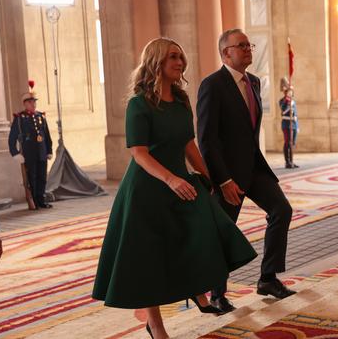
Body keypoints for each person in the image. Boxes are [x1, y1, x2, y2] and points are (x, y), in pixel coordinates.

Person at [92, 38, 256, 339]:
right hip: (147, 189)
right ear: (156, 62)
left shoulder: (181, 100)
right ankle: (155, 324)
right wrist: (170, 179)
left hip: (181, 181)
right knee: (149, 257)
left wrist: (213, 177)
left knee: (204, 232)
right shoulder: (138, 104)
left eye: (180, 56)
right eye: (172, 57)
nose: (179, 62)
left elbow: (188, 144)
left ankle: (196, 287)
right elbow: (139, 153)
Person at [197, 29, 296, 313]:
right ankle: (217, 294)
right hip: (228, 174)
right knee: (224, 232)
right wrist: (222, 179)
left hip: (254, 167)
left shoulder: (253, 81)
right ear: (225, 53)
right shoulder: (212, 85)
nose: (248, 49)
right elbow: (207, 138)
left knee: (281, 210)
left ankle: (268, 278)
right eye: (241, 46)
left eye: (248, 45)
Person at [8, 82, 53, 209]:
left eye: (34, 102)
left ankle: (41, 200)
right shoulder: (20, 118)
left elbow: (47, 135)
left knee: (42, 177)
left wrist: (49, 150)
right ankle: (34, 201)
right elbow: (12, 138)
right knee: (32, 178)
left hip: (42, 152)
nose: (34, 104)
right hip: (29, 154)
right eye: (31, 102)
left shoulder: (40, 116)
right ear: (25, 104)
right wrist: (15, 153)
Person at [279, 78, 299, 169]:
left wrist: (297, 126)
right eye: (289, 91)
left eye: (291, 91)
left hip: (293, 124)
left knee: (293, 143)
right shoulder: (282, 101)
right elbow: (283, 110)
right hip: (286, 124)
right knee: (288, 142)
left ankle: (292, 161)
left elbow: (296, 114)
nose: (291, 93)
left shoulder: (293, 102)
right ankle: (287, 162)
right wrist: (287, 101)